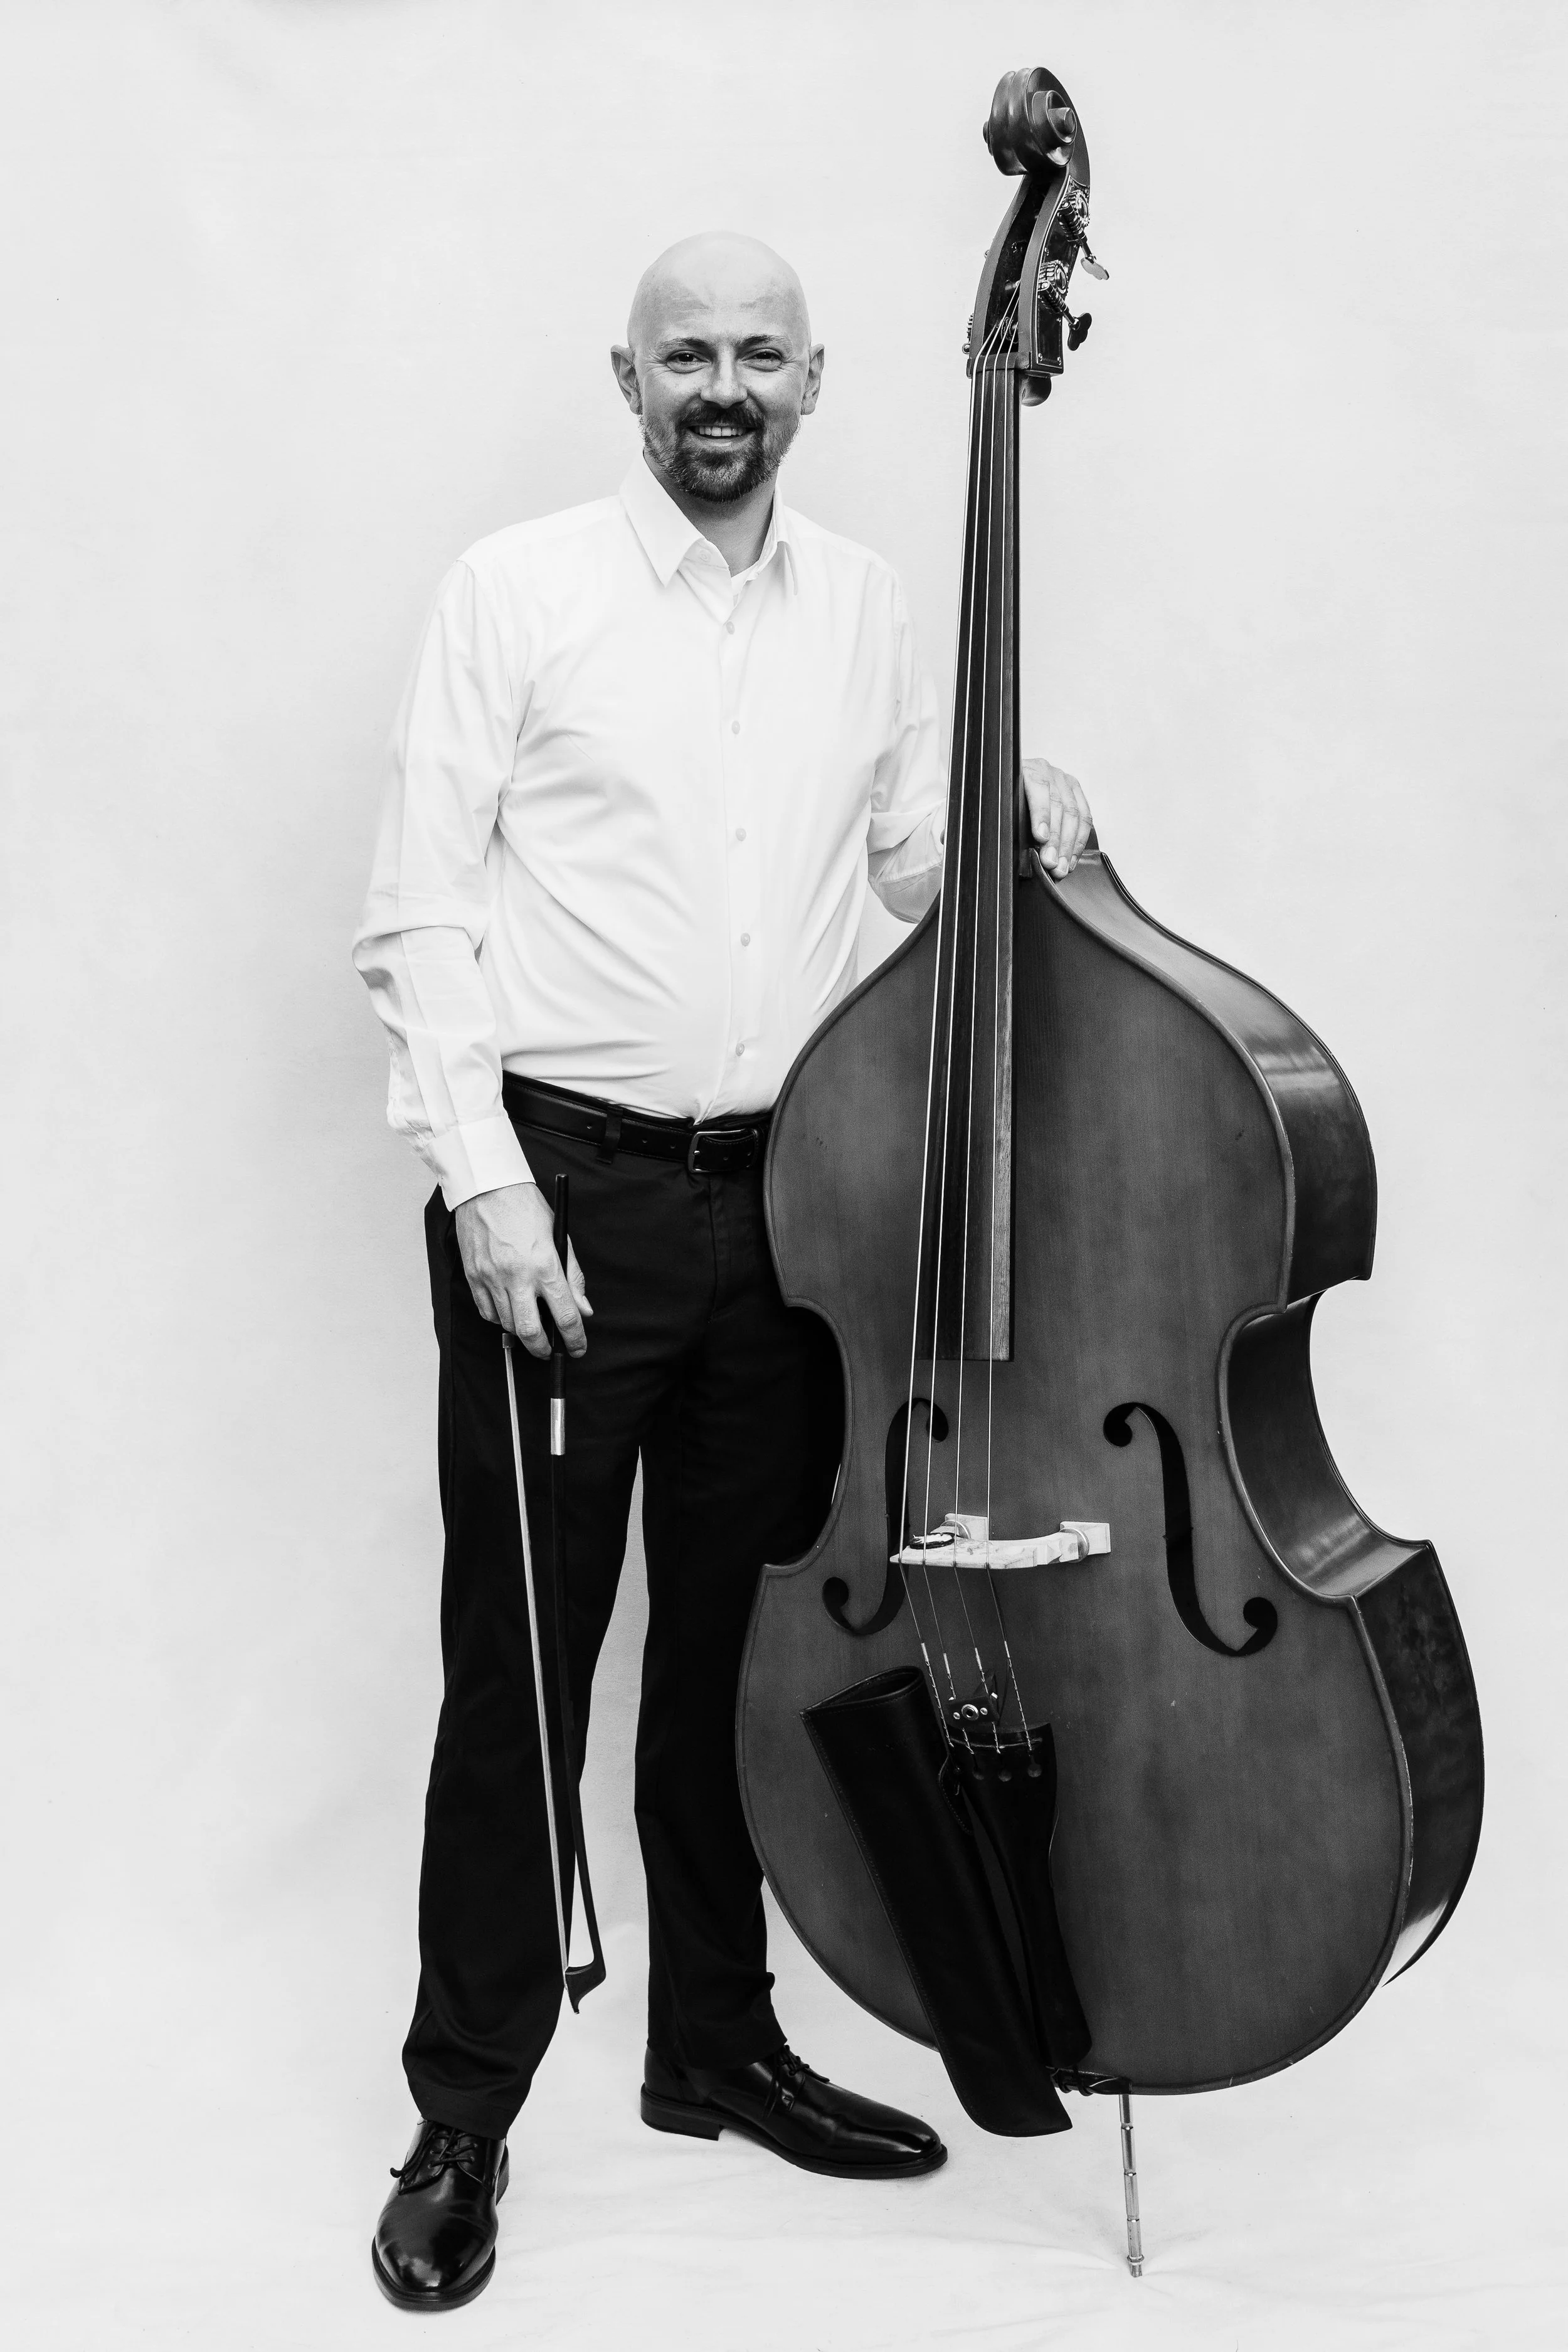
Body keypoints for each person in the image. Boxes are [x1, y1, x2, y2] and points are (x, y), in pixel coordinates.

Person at [352, 229, 1094, 2312]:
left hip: (789, 1203)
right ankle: (466, 2108)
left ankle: (715, 2042)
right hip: (564, 1199)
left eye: (758, 354)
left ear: (815, 380)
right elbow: (419, 914)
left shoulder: (865, 608)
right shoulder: (517, 591)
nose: (722, 384)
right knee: (522, 1676)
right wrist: (486, 1186)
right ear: (625, 374)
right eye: (687, 350)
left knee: (732, 1659)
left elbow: (891, 863)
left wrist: (1001, 815)